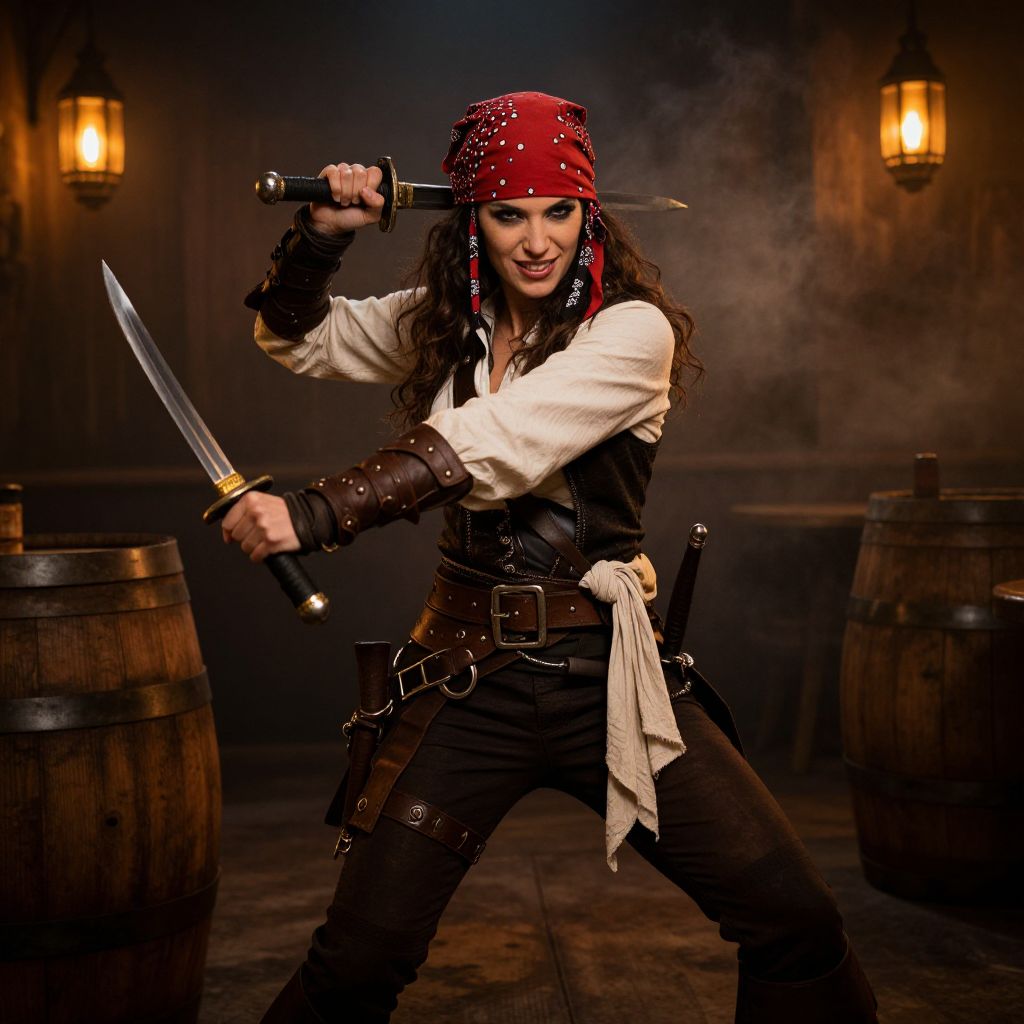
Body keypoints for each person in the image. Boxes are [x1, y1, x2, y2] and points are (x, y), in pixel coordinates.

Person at [227, 92, 878, 1023]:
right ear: (472, 222)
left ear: (589, 213)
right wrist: (323, 234)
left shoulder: (632, 332)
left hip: (606, 674)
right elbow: (296, 339)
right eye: (509, 215)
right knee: (358, 960)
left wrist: (317, 513)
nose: (538, 241)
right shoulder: (447, 322)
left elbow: (502, 441)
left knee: (797, 920)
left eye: (559, 212)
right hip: (464, 675)